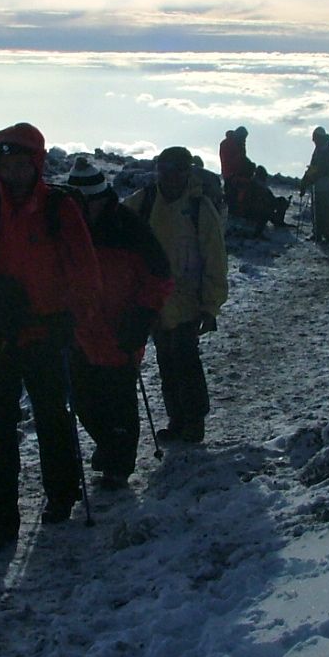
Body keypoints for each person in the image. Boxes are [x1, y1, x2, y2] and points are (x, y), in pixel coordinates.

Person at [0, 122, 109, 549]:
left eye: (22, 164)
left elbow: (84, 269)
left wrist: (75, 316)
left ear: (36, 164)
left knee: (51, 418)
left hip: (45, 334)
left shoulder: (59, 209)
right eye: (8, 165)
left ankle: (62, 494)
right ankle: (0, 518)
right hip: (0, 338)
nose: (15, 173)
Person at [64, 158, 173, 489]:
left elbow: (160, 277)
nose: (83, 210)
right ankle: (109, 447)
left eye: (87, 202)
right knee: (84, 401)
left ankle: (118, 465)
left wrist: (140, 318)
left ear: (101, 197)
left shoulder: (129, 227)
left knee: (119, 402)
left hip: (120, 331)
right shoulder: (64, 231)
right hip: (80, 334)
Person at [123, 147, 228, 444]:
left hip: (187, 302)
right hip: (154, 300)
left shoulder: (199, 208)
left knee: (185, 361)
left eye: (175, 169)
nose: (168, 176)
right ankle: (178, 419)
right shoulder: (145, 201)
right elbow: (117, 222)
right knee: (167, 362)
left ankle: (192, 421)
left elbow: (215, 259)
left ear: (186, 172)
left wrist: (210, 306)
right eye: (163, 169)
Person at [300, 127, 329, 242]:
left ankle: (327, 234)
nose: (314, 141)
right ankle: (322, 233)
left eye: (315, 138)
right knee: (323, 209)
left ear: (318, 138)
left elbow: (320, 168)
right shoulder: (324, 148)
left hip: (327, 185)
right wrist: (307, 180)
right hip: (324, 185)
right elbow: (315, 167)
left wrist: (308, 180)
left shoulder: (325, 150)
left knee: (325, 209)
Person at [218, 126, 253, 219]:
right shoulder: (227, 143)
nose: (244, 139)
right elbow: (228, 160)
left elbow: (241, 158)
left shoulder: (240, 144)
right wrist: (242, 163)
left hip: (237, 173)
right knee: (232, 195)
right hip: (230, 174)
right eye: (243, 137)